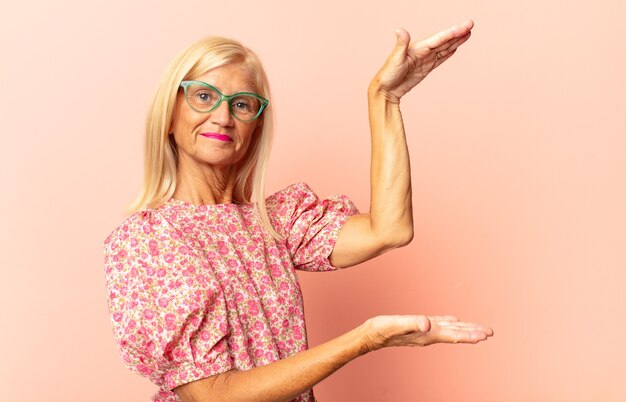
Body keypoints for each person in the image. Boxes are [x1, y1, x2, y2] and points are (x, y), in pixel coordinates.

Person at [103, 19, 493, 402]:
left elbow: (389, 229)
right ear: (170, 114)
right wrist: (364, 340)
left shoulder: (274, 223)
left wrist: (385, 98)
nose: (222, 117)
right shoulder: (147, 242)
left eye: (241, 104)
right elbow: (212, 396)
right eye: (203, 96)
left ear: (256, 125)